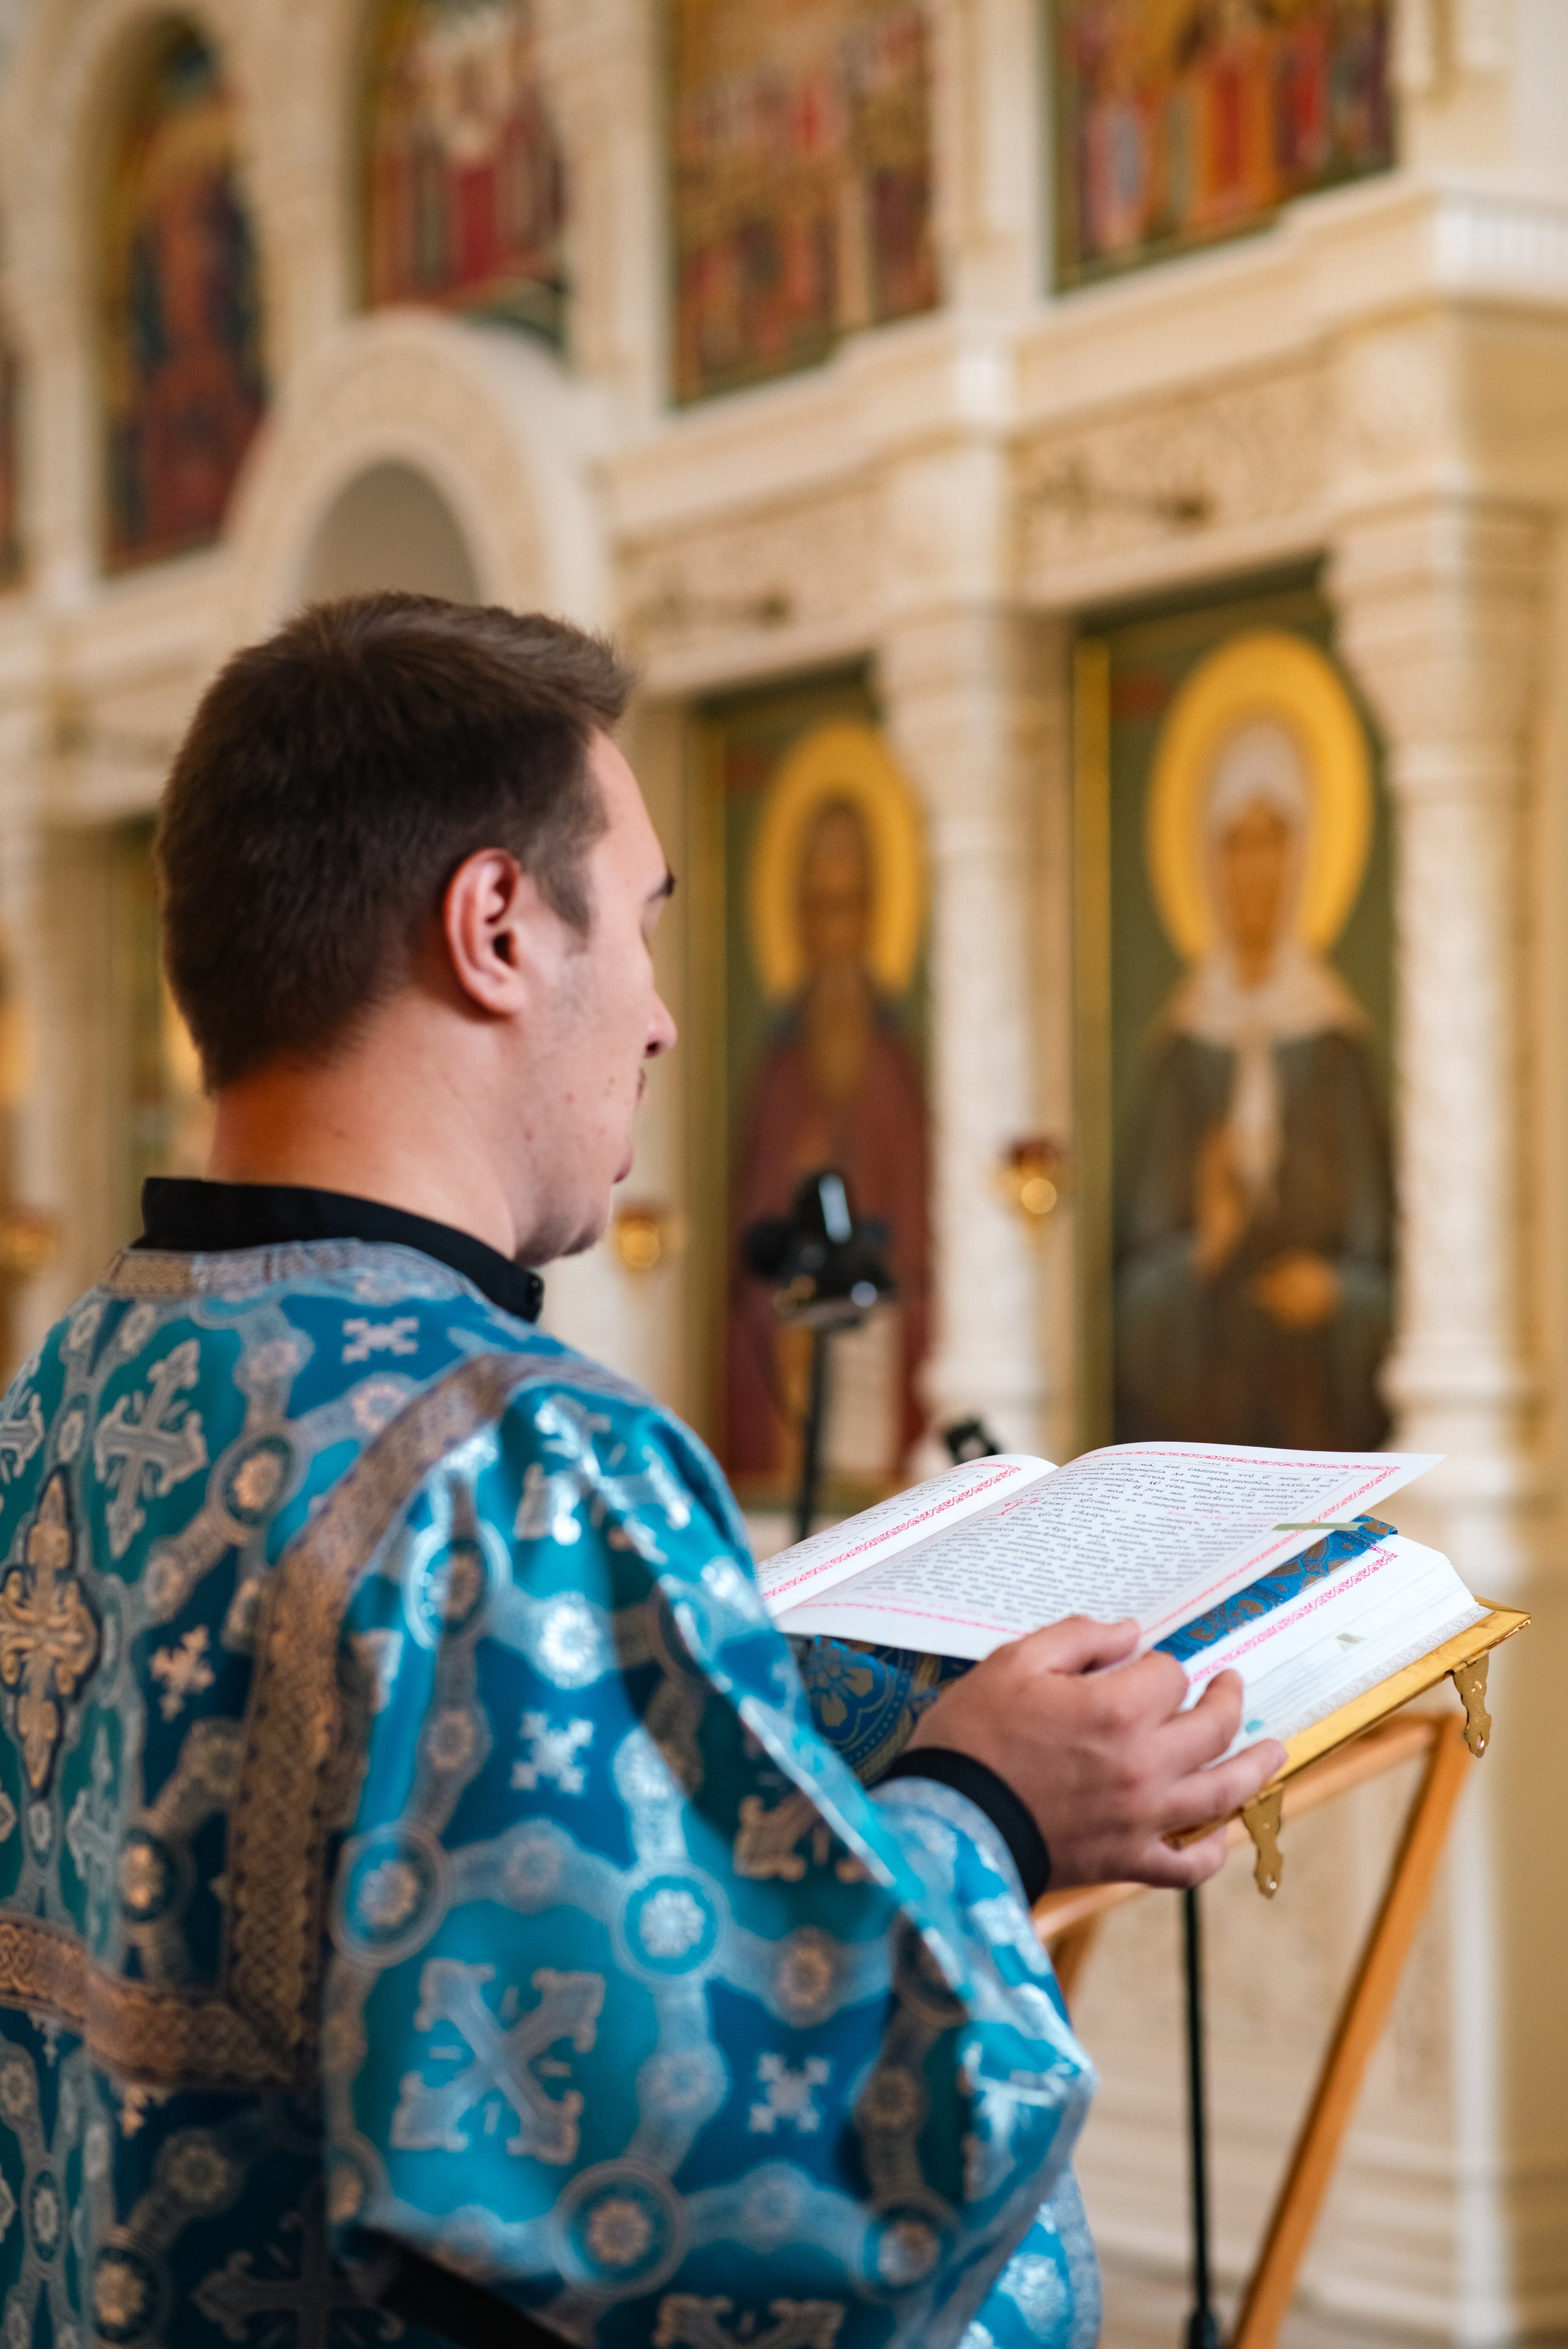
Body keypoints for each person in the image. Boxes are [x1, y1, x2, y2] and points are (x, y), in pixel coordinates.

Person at [0, 595, 1281, 2349]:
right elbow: (742, 2201)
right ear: (500, 925)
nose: (668, 1023)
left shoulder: (77, 1385)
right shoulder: (513, 1463)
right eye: (647, 926)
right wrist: (989, 1808)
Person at [1116, 717, 1393, 1448]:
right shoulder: (1180, 1056)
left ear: (1300, 856)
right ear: (1209, 861)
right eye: (1234, 844)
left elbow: (1391, 1272)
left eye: (1271, 840)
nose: (1253, 870)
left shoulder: (1336, 1053)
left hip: (1323, 1429)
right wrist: (1203, 1250)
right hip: (1200, 1433)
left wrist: (1334, 1294)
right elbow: (1129, 1293)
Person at [726, 796, 929, 1488]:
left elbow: (917, 1223)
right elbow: (754, 1230)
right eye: (820, 906)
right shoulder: (779, 1067)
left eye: (852, 904)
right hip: (792, 1340)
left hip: (879, 1333)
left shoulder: (894, 1060)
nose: (836, 928)